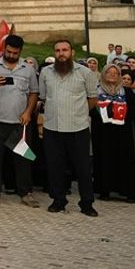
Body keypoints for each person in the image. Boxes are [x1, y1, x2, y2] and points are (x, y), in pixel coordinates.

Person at [0, 35, 40, 206]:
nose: (11, 55)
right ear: (4, 48)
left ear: (20, 51)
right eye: (9, 52)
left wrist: (28, 112)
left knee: (23, 159)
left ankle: (26, 192)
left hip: (20, 123)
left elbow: (33, 92)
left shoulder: (28, 69)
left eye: (15, 53)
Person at [40, 39, 99, 216]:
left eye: (65, 50)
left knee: (82, 168)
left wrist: (78, 113)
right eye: (57, 50)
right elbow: (44, 97)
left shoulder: (85, 73)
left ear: (72, 52)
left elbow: (93, 98)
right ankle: (58, 201)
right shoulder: (46, 72)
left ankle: (87, 203)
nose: (61, 54)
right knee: (55, 166)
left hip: (78, 128)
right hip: (53, 127)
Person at [93, 65, 135, 203]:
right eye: (109, 72)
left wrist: (118, 112)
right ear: (103, 74)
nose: (112, 75)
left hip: (122, 132)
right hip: (103, 132)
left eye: (116, 73)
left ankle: (128, 192)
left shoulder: (127, 92)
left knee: (125, 160)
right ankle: (105, 190)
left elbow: (133, 111)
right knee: (104, 159)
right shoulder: (96, 92)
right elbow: (91, 110)